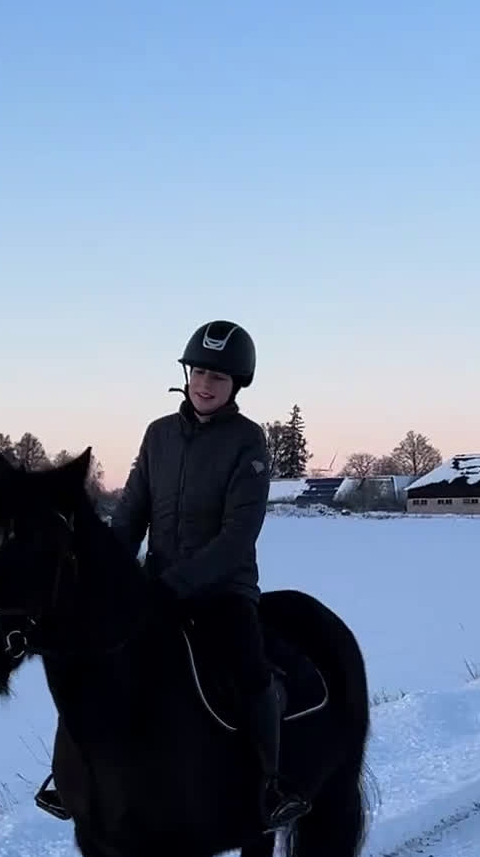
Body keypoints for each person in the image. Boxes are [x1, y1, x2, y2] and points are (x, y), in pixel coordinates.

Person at [36, 320, 309, 830]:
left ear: (237, 385)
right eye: (200, 371)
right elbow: (131, 513)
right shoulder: (158, 434)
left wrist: (173, 585)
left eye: (219, 378)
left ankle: (268, 784)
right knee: (86, 654)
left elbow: (237, 536)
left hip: (223, 589)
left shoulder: (248, 441)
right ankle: (69, 777)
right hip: (152, 583)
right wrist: (108, 573)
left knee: (250, 667)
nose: (206, 384)